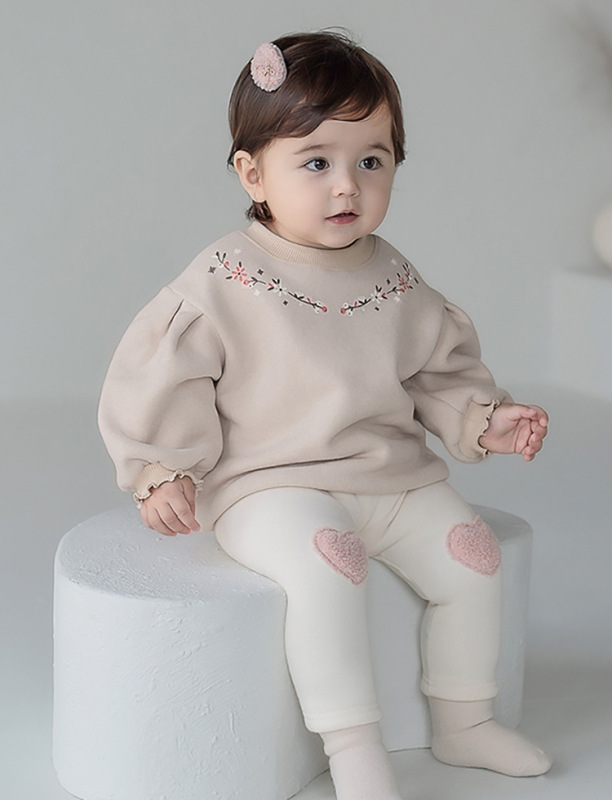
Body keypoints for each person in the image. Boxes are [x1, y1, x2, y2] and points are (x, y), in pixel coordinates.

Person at [98, 31, 552, 800]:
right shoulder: (224, 277)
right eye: (316, 163)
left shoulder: (393, 275)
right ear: (253, 172)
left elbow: (434, 367)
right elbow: (164, 377)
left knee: (474, 559)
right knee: (327, 566)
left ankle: (465, 720)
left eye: (371, 161)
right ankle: (353, 746)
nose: (348, 186)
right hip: (270, 485)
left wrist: (484, 419)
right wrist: (160, 469)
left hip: (392, 477)